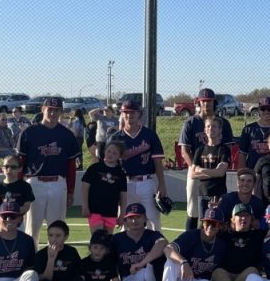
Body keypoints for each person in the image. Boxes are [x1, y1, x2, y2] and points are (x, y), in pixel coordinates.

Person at [15, 96, 80, 245]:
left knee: (57, 229)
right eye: (50, 110)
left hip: (58, 183)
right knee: (31, 229)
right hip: (34, 183)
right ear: (43, 110)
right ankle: (31, 263)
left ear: (61, 112)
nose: (53, 113)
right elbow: (20, 163)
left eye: (57, 110)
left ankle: (55, 263)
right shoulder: (29, 133)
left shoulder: (67, 134)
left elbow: (71, 167)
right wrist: (19, 189)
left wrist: (70, 191)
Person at [155, 207, 227, 281]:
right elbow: (167, 249)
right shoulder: (191, 236)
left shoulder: (221, 245)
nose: (210, 226)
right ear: (202, 223)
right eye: (207, 222)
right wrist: (183, 262)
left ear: (220, 226)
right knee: (171, 262)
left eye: (214, 223)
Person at [177, 89, 234, 229]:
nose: (206, 104)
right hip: (196, 171)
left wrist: (207, 171)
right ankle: (189, 242)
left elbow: (227, 149)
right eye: (204, 101)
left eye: (209, 101)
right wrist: (195, 168)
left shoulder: (223, 123)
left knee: (216, 211)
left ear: (214, 102)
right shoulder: (190, 123)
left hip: (216, 174)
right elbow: (184, 151)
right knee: (193, 211)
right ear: (198, 102)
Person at [108, 99, 168, 230]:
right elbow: (110, 164)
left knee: (153, 221)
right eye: (126, 112)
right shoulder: (116, 137)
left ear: (139, 114)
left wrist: (162, 184)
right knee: (125, 221)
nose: (129, 115)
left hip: (146, 182)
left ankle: (156, 249)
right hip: (125, 184)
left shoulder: (149, 135)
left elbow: (158, 162)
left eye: (133, 112)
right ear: (122, 114)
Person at [110, 202, 168, 281]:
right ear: (125, 221)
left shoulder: (152, 235)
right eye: (130, 217)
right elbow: (111, 263)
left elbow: (162, 243)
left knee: (158, 258)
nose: (134, 221)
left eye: (138, 217)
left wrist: (141, 263)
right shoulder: (117, 239)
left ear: (145, 219)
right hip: (129, 279)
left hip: (151, 280)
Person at [211, 202, 266, 281]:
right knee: (217, 272)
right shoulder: (223, 235)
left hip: (245, 280)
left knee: (253, 271)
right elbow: (207, 229)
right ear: (232, 219)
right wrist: (213, 212)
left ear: (251, 219)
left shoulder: (259, 236)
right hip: (226, 276)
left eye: (246, 216)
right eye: (239, 215)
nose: (243, 218)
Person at [187, 116, 231, 230]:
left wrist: (201, 170)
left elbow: (221, 172)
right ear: (205, 129)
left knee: (219, 226)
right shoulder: (200, 150)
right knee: (204, 227)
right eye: (208, 126)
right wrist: (213, 172)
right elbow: (192, 174)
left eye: (214, 126)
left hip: (218, 194)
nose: (210, 129)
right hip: (203, 194)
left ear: (220, 130)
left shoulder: (223, 149)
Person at [80, 139, 128, 233]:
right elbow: (85, 187)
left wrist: (122, 214)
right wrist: (85, 206)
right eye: (109, 151)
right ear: (104, 151)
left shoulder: (121, 173)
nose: (111, 154)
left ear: (119, 156)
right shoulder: (95, 168)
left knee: (107, 242)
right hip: (95, 210)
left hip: (111, 212)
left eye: (115, 153)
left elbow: (123, 195)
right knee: (98, 239)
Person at [237, 96, 270, 170]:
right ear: (258, 110)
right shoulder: (248, 130)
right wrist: (241, 174)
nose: (266, 111)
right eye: (263, 109)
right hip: (252, 172)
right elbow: (242, 154)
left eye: (269, 109)